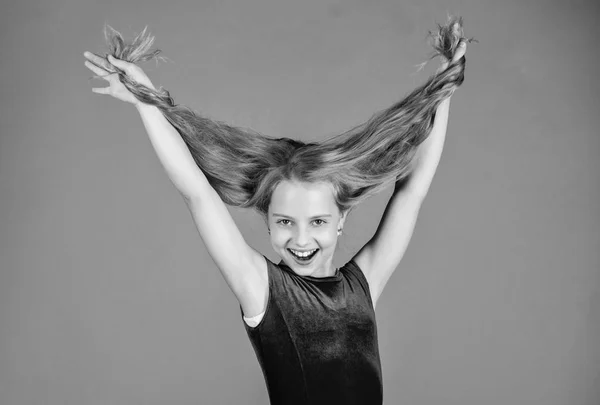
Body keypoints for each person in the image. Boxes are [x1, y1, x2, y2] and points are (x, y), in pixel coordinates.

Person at [84, 17, 469, 405]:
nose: (301, 239)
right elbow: (198, 193)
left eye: (317, 221)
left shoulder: (363, 286)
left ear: (341, 221)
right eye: (285, 222)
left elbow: (412, 190)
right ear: (268, 222)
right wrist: (144, 99)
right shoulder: (263, 291)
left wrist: (443, 87)